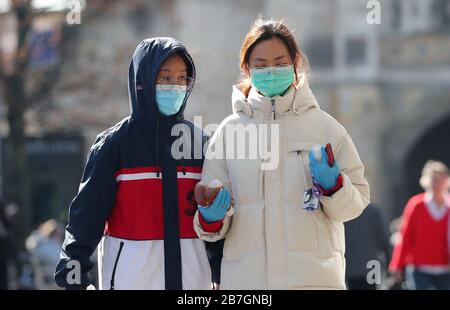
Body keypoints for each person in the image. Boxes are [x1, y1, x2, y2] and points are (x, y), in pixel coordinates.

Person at [193, 18, 370, 289]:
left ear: (295, 64)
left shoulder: (325, 128)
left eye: (280, 63)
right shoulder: (228, 133)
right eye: (261, 66)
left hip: (314, 280)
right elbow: (212, 220)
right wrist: (212, 217)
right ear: (247, 69)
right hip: (248, 284)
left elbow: (355, 205)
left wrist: (335, 187)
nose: (271, 72)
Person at [55, 37, 215, 290]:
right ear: (142, 81)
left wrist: (219, 274)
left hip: (193, 287)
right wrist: (74, 278)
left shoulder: (202, 144)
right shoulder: (113, 145)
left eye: (182, 78)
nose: (175, 86)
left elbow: (214, 228)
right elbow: (84, 222)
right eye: (164, 78)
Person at [389, 160, 450, 290]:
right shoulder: (416, 205)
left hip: (446, 268)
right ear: (426, 182)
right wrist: (397, 264)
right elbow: (405, 236)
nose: (437, 184)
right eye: (433, 180)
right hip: (420, 268)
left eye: (440, 180)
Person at [345, 203, 390, 290]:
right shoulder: (374, 211)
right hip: (372, 266)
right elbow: (384, 240)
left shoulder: (344, 212)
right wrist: (389, 263)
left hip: (350, 267)